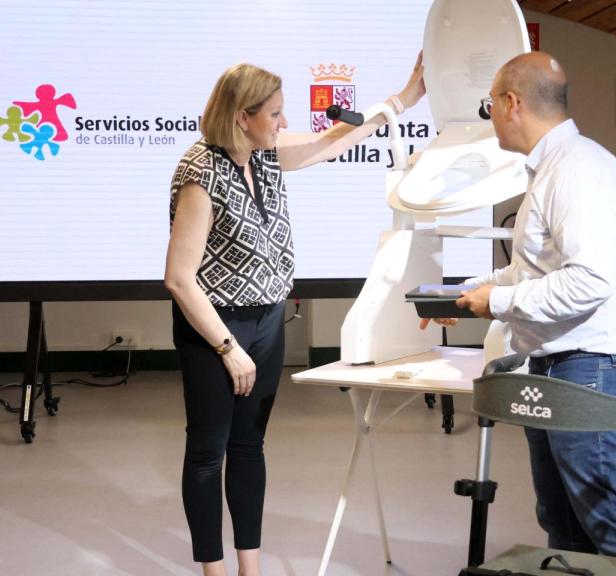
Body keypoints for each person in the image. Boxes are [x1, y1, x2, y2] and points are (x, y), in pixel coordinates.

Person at [165, 55, 425, 576]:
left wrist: (401, 101)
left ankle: (250, 567)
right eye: (277, 114)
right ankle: (213, 571)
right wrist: (227, 348)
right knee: (207, 453)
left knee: (249, 447)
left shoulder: (261, 155)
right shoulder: (200, 172)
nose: (285, 123)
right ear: (243, 116)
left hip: (266, 323)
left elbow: (333, 141)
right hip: (216, 329)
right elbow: (179, 278)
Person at [455, 52, 616, 561]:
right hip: (566, 365)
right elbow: (536, 270)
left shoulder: (577, 170)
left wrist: (497, 301)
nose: (491, 115)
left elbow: (588, 280)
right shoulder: (553, 168)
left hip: (598, 365)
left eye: (489, 106)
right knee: (564, 522)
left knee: (607, 519)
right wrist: (465, 297)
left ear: (511, 103)